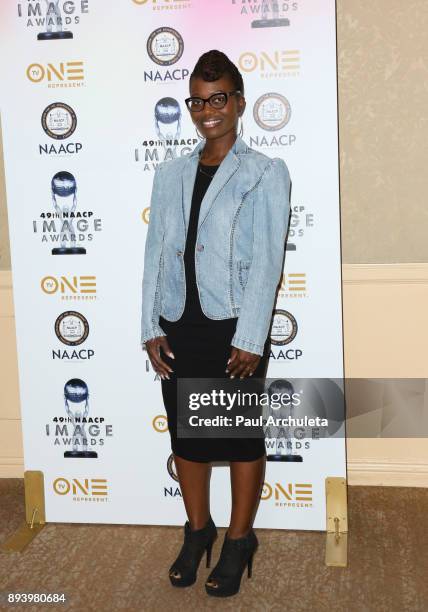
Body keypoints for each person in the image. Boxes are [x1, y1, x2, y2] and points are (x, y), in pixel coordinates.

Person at [141, 49, 291, 597]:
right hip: (178, 323)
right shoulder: (170, 174)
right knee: (188, 436)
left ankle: (238, 539)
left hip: (232, 329)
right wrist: (149, 326)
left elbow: (268, 261)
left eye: (219, 98)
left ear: (239, 102)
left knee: (241, 439)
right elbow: (156, 252)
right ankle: (197, 531)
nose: (208, 110)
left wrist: (251, 337)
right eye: (198, 101)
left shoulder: (265, 173)